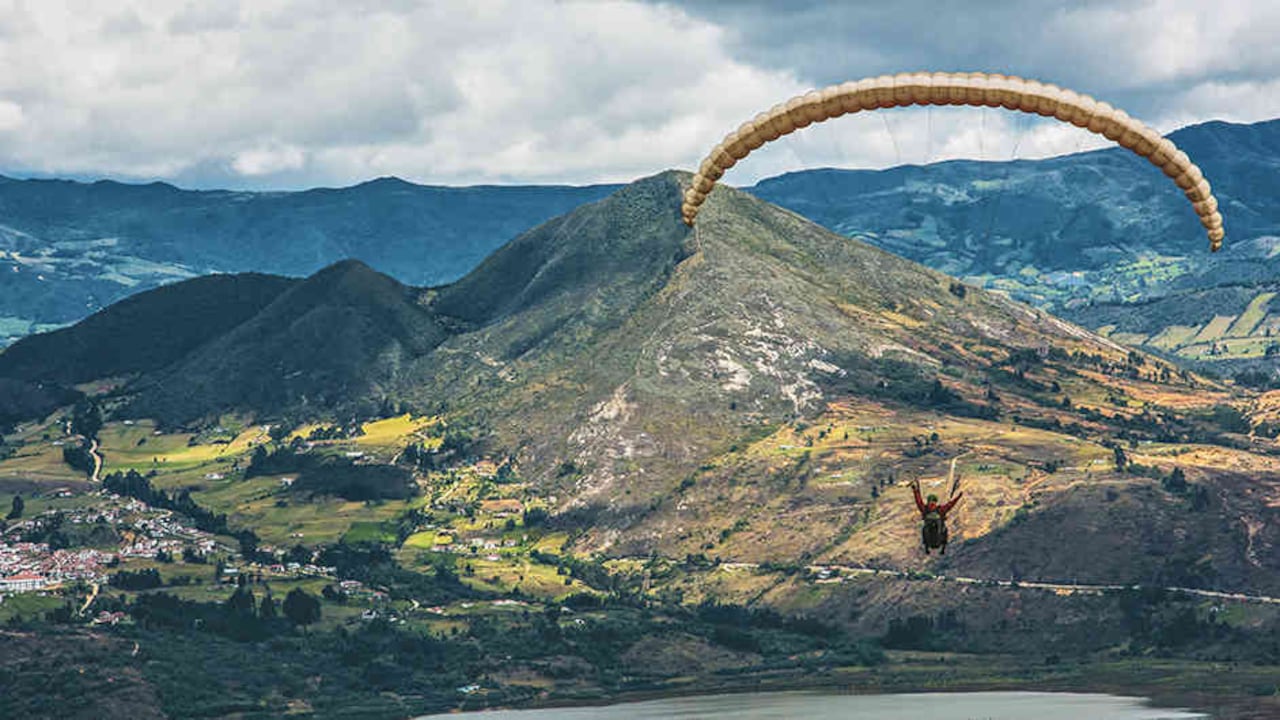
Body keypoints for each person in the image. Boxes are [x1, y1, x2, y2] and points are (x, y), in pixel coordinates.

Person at [911, 478, 962, 554]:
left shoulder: (925, 509)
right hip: (938, 539)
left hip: (930, 540)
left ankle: (927, 548)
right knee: (944, 530)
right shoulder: (940, 510)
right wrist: (958, 497)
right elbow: (950, 505)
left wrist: (915, 491)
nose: (932, 504)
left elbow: (918, 500)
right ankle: (942, 549)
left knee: (924, 530)